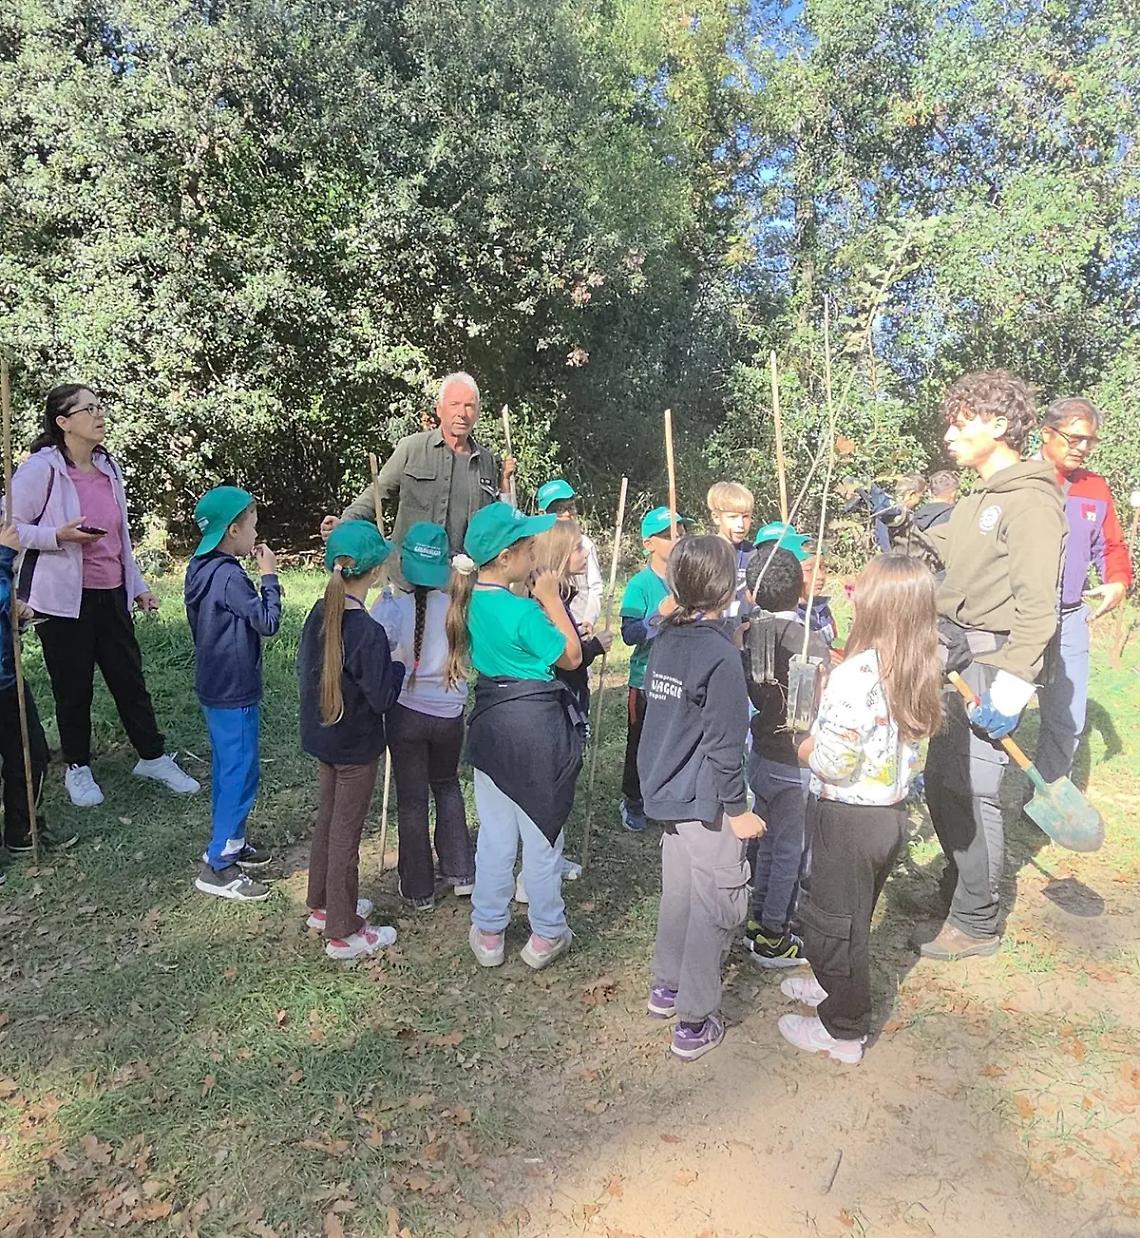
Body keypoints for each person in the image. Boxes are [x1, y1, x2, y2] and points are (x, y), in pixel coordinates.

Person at [920, 370, 1066, 960]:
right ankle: (959, 890)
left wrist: (1011, 688)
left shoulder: (1031, 501)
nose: (949, 433)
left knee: (974, 787)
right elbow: (957, 570)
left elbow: (1038, 606)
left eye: (961, 421)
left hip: (992, 664)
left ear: (999, 426)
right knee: (942, 780)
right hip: (956, 658)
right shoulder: (978, 497)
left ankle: (977, 923)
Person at [778, 555, 943, 1065]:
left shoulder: (857, 675)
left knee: (832, 928)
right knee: (852, 917)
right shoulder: (922, 663)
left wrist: (801, 742)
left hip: (848, 818)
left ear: (878, 606)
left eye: (860, 590)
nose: (851, 596)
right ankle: (832, 987)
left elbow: (832, 761)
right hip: (889, 816)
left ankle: (843, 1029)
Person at [8, 385, 199, 807]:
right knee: (73, 686)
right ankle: (78, 767)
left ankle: (151, 756)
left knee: (129, 680)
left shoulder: (109, 466)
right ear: (63, 422)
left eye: (100, 407)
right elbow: (9, 527)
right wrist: (57, 536)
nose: (100, 415)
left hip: (110, 592)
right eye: (88, 409)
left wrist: (139, 585)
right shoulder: (43, 469)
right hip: (61, 599)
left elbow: (121, 538)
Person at [638, 535, 765, 1061]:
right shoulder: (720, 659)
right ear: (730, 585)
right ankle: (694, 1018)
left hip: (667, 792)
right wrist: (738, 811)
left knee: (681, 893)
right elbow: (724, 742)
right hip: (708, 801)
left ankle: (667, 986)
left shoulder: (668, 637)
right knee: (717, 903)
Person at [448, 502, 584, 971]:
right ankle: (547, 932)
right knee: (542, 835)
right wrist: (550, 600)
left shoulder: (468, 603)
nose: (535, 556)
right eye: (528, 549)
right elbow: (570, 657)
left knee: (496, 835)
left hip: (491, 726)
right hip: (534, 731)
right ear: (505, 559)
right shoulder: (525, 611)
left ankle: (488, 930)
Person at [299, 521, 405, 960]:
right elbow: (382, 697)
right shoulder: (368, 632)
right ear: (375, 573)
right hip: (357, 749)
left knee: (329, 821)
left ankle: (323, 904)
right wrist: (398, 663)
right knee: (346, 833)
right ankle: (342, 931)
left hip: (324, 739)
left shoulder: (318, 614)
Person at [370, 521, 475, 913]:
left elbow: (376, 651)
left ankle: (417, 888)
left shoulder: (390, 606)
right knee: (447, 786)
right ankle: (461, 871)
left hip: (406, 714)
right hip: (450, 715)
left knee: (412, 799)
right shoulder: (460, 607)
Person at [184, 487, 282, 902]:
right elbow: (267, 622)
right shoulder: (229, 576)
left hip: (214, 685)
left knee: (230, 769)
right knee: (240, 773)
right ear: (234, 529)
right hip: (235, 689)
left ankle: (234, 840)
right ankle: (219, 865)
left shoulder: (199, 568)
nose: (256, 533)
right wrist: (269, 578)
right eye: (253, 525)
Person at [1033, 397, 1132, 789]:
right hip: (1013, 616)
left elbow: (1111, 547)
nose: (1082, 447)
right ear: (1046, 433)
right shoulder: (1018, 478)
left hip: (1071, 617)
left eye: (1089, 441)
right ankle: (978, 792)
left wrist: (1119, 581)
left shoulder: (1094, 487)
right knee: (994, 704)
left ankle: (1047, 796)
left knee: (1067, 716)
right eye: (1074, 438)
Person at [740, 547, 830, 967]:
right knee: (789, 848)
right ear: (799, 589)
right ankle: (775, 931)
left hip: (758, 753)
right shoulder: (810, 643)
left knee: (771, 840)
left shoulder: (747, 634)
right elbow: (820, 706)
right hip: (794, 761)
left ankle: (758, 916)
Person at [319, 373, 515, 565]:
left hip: (464, 580)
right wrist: (344, 524)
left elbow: (494, 519)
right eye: (454, 404)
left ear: (478, 412)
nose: (462, 413)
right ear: (439, 409)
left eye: (469, 406)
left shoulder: (486, 460)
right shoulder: (412, 448)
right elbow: (377, 492)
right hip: (409, 575)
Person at [1, 523, 74, 856]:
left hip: (7, 675)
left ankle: (22, 829)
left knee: (30, 753)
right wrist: (4, 557)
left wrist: (13, 615)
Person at [618, 506, 689, 832]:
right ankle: (633, 799)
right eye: (669, 535)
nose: (678, 540)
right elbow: (629, 634)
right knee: (642, 742)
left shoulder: (689, 579)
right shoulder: (640, 584)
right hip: (647, 677)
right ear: (649, 543)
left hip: (682, 675)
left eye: (681, 533)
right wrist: (660, 614)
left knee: (674, 740)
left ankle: (664, 797)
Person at [531, 518, 612, 718]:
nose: (585, 553)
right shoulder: (545, 602)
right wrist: (594, 646)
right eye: (578, 548)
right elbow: (565, 659)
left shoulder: (559, 596)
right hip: (560, 705)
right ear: (559, 554)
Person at [535, 478, 604, 628]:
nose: (567, 514)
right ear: (543, 513)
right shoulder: (534, 547)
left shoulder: (585, 544)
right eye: (559, 509)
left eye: (570, 507)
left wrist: (589, 620)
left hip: (579, 622)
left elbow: (595, 587)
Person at [706, 481, 756, 608]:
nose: (740, 524)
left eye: (745, 517)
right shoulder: (704, 553)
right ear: (716, 517)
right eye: (733, 517)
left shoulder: (753, 554)